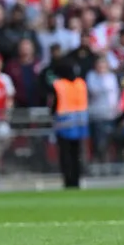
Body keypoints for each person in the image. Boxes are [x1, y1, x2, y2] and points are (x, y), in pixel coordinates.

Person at [49, 60, 89, 188]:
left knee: (65, 156)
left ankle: (68, 181)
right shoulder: (81, 83)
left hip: (64, 126)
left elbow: (54, 105)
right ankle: (76, 180)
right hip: (80, 125)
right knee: (76, 155)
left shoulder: (60, 85)